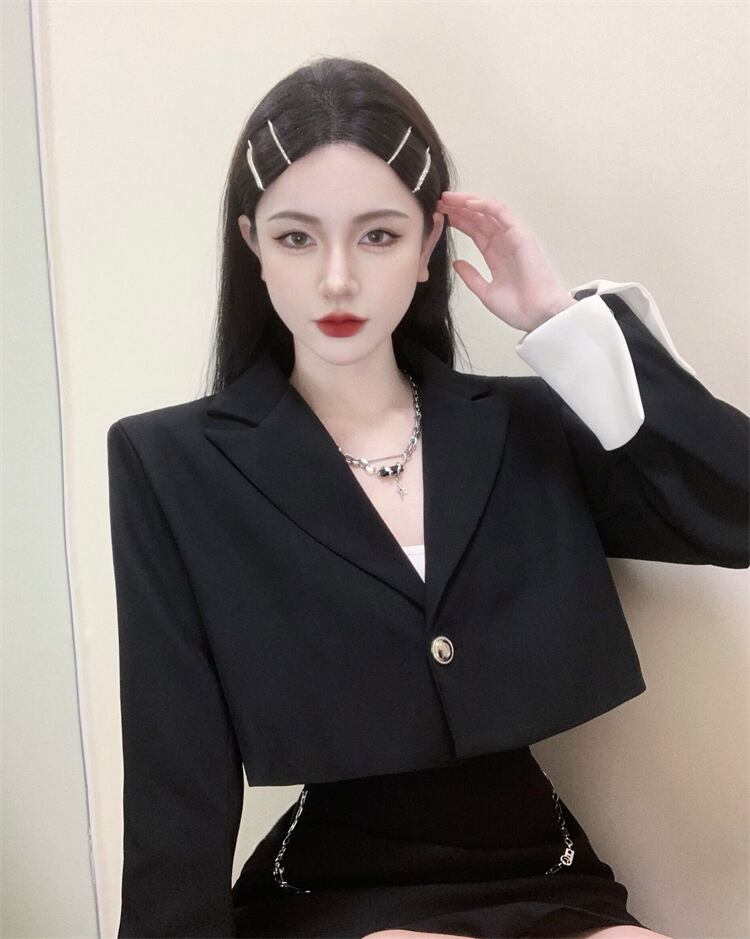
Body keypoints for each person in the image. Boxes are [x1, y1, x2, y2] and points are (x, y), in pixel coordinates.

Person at [106, 55, 749, 939]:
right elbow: (174, 769)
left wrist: (561, 321)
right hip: (332, 888)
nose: (337, 278)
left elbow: (736, 509)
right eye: (297, 238)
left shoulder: (528, 427)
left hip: (541, 867)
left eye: (377, 235)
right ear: (252, 245)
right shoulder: (173, 463)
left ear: (427, 247)